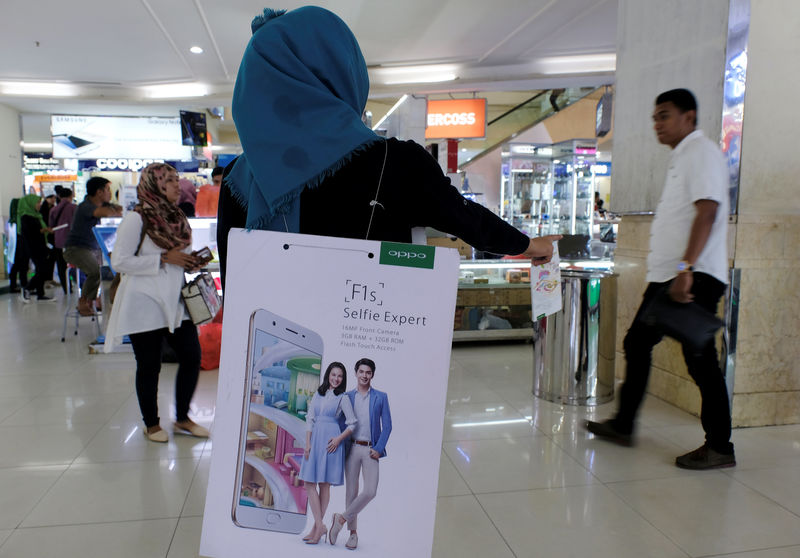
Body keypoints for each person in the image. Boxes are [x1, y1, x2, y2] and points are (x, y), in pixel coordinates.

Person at [216, 7, 559, 287]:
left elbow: (236, 286)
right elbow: (466, 220)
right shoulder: (397, 163)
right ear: (343, 68)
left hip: (277, 357)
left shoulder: (239, 178)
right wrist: (530, 245)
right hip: (374, 354)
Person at [585, 88, 734, 470]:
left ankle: (719, 446)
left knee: (700, 361)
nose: (657, 123)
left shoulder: (701, 153)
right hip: (672, 275)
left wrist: (686, 270)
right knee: (637, 343)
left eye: (664, 115)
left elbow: (707, 213)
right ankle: (623, 424)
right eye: (655, 117)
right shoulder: (682, 157)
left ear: (689, 117)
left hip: (690, 276)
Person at [103, 163, 208, 443]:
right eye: (170, 180)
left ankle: (183, 417)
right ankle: (152, 424)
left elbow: (178, 256)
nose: (178, 185)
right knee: (149, 365)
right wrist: (162, 258)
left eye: (177, 179)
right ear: (154, 184)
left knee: (192, 356)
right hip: (144, 302)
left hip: (175, 301)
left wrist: (190, 261)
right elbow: (120, 261)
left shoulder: (177, 218)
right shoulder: (137, 218)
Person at [329, 358, 391, 550]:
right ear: (355, 373)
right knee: (352, 492)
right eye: (361, 372)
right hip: (352, 448)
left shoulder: (381, 397)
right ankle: (353, 534)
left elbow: (387, 426)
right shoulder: (346, 396)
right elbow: (338, 422)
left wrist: (379, 449)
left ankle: (340, 519)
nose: (364, 375)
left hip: (371, 449)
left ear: (372, 374)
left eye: (368, 372)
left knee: (370, 491)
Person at [297, 362, 356, 545]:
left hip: (331, 443)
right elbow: (310, 419)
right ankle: (320, 525)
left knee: (324, 485)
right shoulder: (319, 393)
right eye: (333, 375)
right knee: (309, 483)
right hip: (315, 441)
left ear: (343, 379)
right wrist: (307, 443)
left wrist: (338, 440)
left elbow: (352, 424)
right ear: (328, 375)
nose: (336, 379)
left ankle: (316, 529)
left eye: (340, 376)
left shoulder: (343, 398)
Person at [64, 177, 122, 315]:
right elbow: (105, 213)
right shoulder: (85, 206)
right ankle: (83, 302)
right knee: (95, 271)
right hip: (75, 249)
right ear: (99, 192)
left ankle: (96, 301)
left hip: (92, 249)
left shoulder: (101, 206)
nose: (110, 192)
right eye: (108, 189)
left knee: (109, 270)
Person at [17, 194, 55, 302]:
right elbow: (28, 233)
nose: (39, 205)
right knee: (42, 269)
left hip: (41, 246)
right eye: (37, 203)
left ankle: (40, 293)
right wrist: (43, 231)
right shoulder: (25, 217)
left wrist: (45, 230)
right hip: (33, 247)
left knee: (41, 269)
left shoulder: (36, 216)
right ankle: (27, 289)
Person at [48, 188, 77, 294]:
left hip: (59, 240)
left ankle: (66, 287)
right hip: (73, 241)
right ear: (71, 196)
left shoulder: (54, 209)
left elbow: (51, 225)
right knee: (77, 263)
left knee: (61, 265)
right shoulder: (74, 208)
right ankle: (78, 282)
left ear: (59, 197)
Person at [7, 197, 28, 294]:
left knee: (16, 267)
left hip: (14, 247)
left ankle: (14, 285)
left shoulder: (11, 220)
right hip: (20, 246)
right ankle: (23, 285)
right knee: (21, 266)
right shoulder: (19, 218)